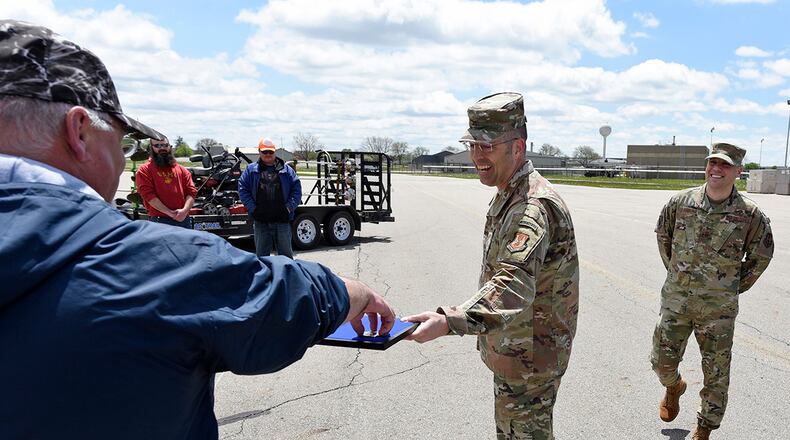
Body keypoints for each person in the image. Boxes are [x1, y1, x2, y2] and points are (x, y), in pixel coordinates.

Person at [0, 20, 395, 440]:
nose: (122, 159)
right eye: (122, 142)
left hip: (242, 218)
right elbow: (278, 301)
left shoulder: (279, 173)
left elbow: (281, 196)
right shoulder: (159, 265)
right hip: (232, 224)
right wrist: (354, 292)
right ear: (78, 132)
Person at [403, 92, 579, 440]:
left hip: (530, 356)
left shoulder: (531, 206)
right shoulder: (510, 191)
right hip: (517, 347)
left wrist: (448, 320)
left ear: (518, 147)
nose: (476, 155)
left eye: (487, 146)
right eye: (472, 145)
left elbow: (511, 285)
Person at [650, 142, 773, 440]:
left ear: (738, 172)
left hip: (718, 311)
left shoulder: (750, 215)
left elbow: (761, 256)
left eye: (725, 165)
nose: (716, 169)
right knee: (661, 363)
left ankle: (704, 428)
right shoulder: (680, 203)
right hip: (677, 301)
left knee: (716, 374)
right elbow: (663, 238)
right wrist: (678, 276)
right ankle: (674, 386)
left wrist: (730, 287)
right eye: (713, 163)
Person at [238, 138, 302, 258]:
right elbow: (243, 190)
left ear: (275, 152)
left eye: (270, 152)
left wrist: (288, 208)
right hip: (261, 221)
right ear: (259, 152)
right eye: (264, 152)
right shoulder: (250, 170)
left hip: (282, 221)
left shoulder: (287, 170)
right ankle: (265, 277)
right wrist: (254, 209)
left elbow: (297, 191)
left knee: (286, 258)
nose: (268, 154)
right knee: (262, 259)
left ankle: (286, 277)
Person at [135, 136, 198, 228]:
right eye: (157, 145)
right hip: (159, 220)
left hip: (183, 219)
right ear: (151, 148)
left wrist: (184, 211)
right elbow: (148, 195)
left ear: (170, 147)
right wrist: (170, 213)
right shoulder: (144, 170)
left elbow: (191, 192)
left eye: (165, 145)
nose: (162, 148)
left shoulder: (182, 170)